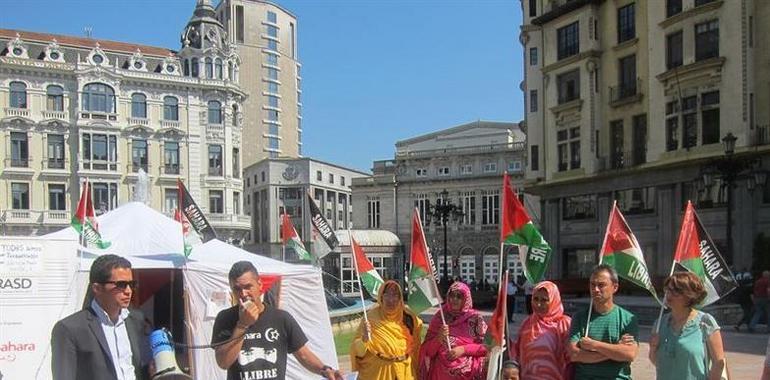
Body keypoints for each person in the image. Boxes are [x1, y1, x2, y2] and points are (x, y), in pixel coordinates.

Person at [211, 261, 342, 380]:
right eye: (237, 289)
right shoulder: (225, 318)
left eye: (248, 287)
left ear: (259, 285)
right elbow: (223, 362)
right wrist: (242, 325)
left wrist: (325, 370)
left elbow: (303, 355)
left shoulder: (281, 318)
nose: (243, 294)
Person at [51, 254, 151, 380]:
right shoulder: (69, 329)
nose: (128, 291)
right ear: (97, 288)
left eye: (131, 284)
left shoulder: (135, 320)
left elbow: (135, 368)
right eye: (121, 285)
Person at [649, 272, 728, 380]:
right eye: (667, 289)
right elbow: (657, 362)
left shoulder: (705, 322)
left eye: (675, 291)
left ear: (689, 295)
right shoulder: (659, 324)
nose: (668, 294)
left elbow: (719, 363)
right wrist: (653, 348)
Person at [568, 264, 638, 380]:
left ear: (614, 287)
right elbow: (574, 354)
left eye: (601, 285)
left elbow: (629, 354)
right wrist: (616, 349)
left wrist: (594, 345)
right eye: (592, 285)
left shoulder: (628, 319)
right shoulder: (579, 317)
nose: (595, 289)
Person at [350, 280, 422, 379]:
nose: (391, 299)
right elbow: (357, 351)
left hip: (404, 372)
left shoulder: (409, 317)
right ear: (381, 297)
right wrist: (364, 340)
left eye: (395, 295)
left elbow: (417, 346)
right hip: (378, 372)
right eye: (387, 294)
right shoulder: (370, 318)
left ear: (400, 298)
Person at [419, 281, 488, 380]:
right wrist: (439, 338)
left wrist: (463, 350)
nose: (454, 299)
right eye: (452, 295)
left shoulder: (475, 319)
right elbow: (428, 352)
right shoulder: (439, 318)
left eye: (459, 296)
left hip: (469, 374)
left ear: (466, 298)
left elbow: (486, 348)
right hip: (440, 374)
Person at [512, 281, 572, 379]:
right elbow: (516, 352)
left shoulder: (564, 324)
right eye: (535, 299)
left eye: (544, 300)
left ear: (554, 300)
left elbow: (572, 359)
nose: (538, 304)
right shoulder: (527, 323)